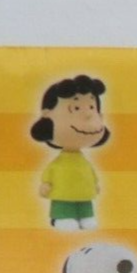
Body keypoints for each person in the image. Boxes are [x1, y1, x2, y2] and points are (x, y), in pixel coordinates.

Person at [31, 75, 111, 230]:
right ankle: (62, 217)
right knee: (63, 203)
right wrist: (46, 184)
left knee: (85, 204)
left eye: (92, 107)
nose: (88, 115)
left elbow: (90, 172)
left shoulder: (83, 161)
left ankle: (86, 216)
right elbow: (49, 172)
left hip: (85, 193)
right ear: (47, 115)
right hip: (63, 193)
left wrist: (95, 184)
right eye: (76, 108)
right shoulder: (58, 163)